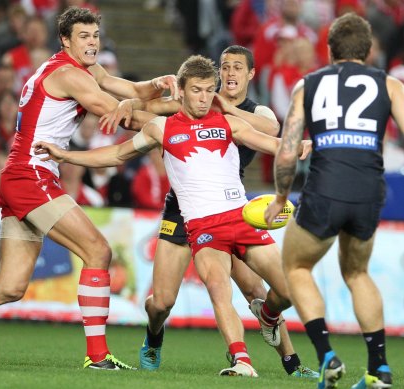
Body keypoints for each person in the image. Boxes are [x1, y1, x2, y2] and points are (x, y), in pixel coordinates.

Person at [0, 6, 177, 370]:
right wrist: (182, 121)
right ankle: (97, 356)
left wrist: (157, 86)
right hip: (32, 175)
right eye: (84, 37)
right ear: (65, 40)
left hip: (20, 175)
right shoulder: (68, 75)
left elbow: (132, 91)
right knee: (98, 252)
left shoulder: (81, 68)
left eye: (95, 36)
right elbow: (118, 113)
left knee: (10, 286)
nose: (92, 43)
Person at [34, 54, 310, 377]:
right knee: (171, 300)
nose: (205, 97)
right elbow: (116, 153)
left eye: (210, 90)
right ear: (181, 90)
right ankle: (232, 358)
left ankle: (269, 322)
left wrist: (301, 145)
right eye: (197, 90)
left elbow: (272, 141)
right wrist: (67, 153)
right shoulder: (161, 128)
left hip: (240, 217)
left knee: (287, 291)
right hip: (197, 224)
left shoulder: (231, 120)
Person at [264, 13, 404, 389]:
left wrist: (281, 196)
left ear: (328, 50)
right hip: (367, 191)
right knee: (358, 273)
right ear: (369, 50)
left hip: (325, 188)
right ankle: (379, 368)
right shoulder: (389, 84)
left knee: (296, 267)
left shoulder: (307, 85)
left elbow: (287, 148)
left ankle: (326, 355)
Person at [122, 45, 317, 378]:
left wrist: (225, 107)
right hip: (183, 211)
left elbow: (269, 131)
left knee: (257, 290)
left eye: (237, 68)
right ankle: (154, 337)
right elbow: (144, 114)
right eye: (225, 67)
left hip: (229, 210)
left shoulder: (257, 112)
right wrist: (131, 103)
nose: (230, 73)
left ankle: (292, 364)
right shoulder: (200, 100)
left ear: (251, 74)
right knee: (162, 302)